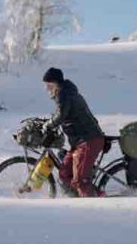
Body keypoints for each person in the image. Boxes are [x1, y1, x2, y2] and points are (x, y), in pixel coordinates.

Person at [42, 67, 106, 197]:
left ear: (56, 83)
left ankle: (98, 204)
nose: (47, 89)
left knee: (80, 181)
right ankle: (81, 197)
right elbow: (64, 114)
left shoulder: (64, 94)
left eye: (49, 85)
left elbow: (61, 114)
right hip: (80, 142)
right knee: (65, 173)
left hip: (88, 140)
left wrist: (48, 125)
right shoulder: (66, 92)